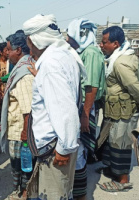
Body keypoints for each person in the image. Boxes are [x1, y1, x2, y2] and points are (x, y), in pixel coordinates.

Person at [23, 14, 86, 199]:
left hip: (55, 149)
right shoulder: (63, 55)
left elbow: (65, 110)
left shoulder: (50, 64)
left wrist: (64, 149)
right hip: (58, 145)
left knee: (55, 195)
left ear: (32, 40)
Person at [98, 26, 139, 191]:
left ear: (115, 43)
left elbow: (134, 87)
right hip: (117, 110)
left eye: (104, 42)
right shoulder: (121, 57)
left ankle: (122, 180)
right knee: (113, 141)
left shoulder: (121, 63)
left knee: (120, 143)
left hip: (125, 111)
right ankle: (113, 171)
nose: (101, 45)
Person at [66, 18, 106, 200]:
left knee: (80, 149)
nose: (68, 40)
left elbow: (91, 87)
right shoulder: (86, 51)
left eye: (70, 36)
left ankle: (80, 194)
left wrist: (84, 115)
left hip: (85, 107)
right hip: (84, 106)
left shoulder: (90, 53)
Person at [0, 30, 35, 200]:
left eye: (8, 49)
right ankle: (22, 191)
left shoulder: (24, 74)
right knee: (18, 163)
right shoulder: (22, 68)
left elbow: (28, 108)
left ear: (18, 50)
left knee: (22, 163)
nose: (7, 53)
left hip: (20, 129)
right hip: (18, 126)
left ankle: (25, 193)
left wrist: (25, 133)